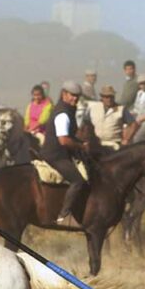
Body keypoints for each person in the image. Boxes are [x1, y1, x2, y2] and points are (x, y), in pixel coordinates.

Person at [39, 81, 87, 227]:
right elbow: (64, 141)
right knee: (78, 181)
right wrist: (82, 146)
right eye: (72, 95)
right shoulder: (63, 114)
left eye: (77, 96)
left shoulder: (68, 110)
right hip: (56, 155)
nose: (75, 99)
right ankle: (64, 216)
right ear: (64, 94)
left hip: (59, 153)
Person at [88, 84, 124, 149]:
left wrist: (126, 139)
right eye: (106, 97)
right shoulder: (94, 108)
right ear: (102, 97)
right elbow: (86, 124)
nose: (109, 99)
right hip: (97, 144)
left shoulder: (121, 109)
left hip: (114, 144)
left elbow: (133, 124)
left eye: (111, 97)